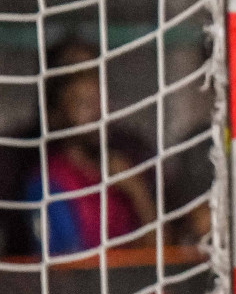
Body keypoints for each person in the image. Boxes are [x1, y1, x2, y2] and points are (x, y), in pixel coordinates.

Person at [23, 39, 157, 255]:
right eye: (82, 105)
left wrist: (138, 193)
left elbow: (159, 251)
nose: (96, 113)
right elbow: (69, 268)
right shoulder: (49, 185)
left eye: (98, 101)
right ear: (55, 116)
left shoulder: (121, 173)